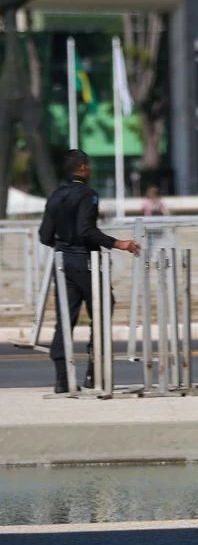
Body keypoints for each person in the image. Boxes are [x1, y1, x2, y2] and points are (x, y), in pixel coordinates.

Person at [38, 150, 141, 393]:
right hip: (86, 263)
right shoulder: (88, 195)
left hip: (62, 263)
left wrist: (65, 246)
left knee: (65, 319)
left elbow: (44, 236)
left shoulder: (55, 196)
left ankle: (62, 381)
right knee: (103, 311)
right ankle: (95, 375)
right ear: (83, 168)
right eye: (89, 166)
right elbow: (86, 231)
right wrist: (120, 244)